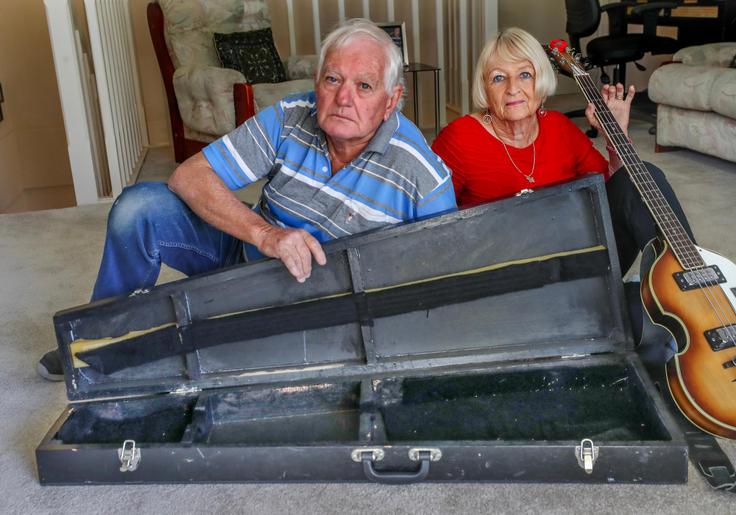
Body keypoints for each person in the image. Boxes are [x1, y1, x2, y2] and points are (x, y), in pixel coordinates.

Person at [37, 19, 456, 381]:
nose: (343, 97)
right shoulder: (292, 115)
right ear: (317, 82)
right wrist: (266, 234)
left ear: (392, 100)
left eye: (364, 86)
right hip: (245, 257)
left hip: (322, 308)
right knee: (139, 208)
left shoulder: (422, 173)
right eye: (332, 79)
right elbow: (190, 175)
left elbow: (442, 283)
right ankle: (96, 335)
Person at [431, 28, 695, 342]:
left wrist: (616, 137)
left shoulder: (558, 127)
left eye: (525, 75)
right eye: (498, 78)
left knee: (643, 177)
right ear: (484, 88)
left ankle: (696, 288)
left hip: (575, 268)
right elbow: (435, 229)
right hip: (507, 284)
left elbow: (621, 191)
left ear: (540, 83)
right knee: (639, 322)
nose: (513, 88)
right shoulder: (460, 138)